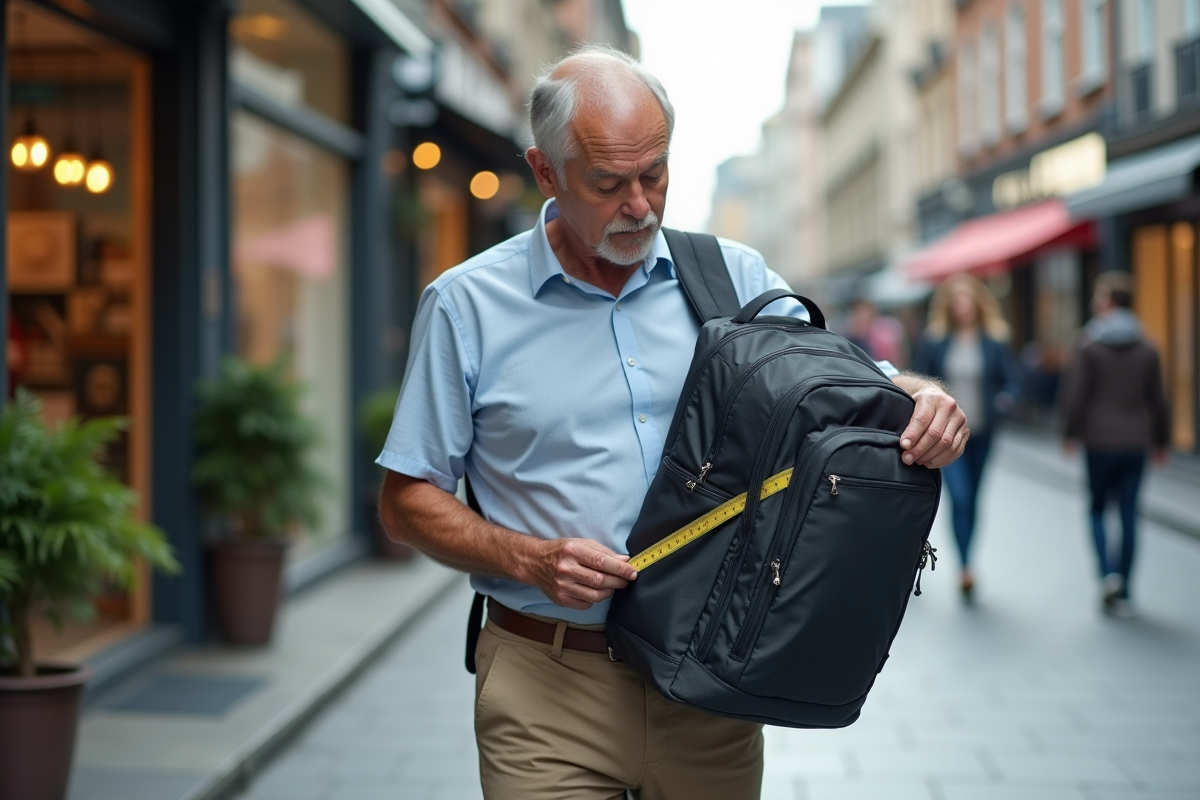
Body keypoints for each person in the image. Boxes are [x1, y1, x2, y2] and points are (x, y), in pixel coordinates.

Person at [376, 45, 968, 800]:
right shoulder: (466, 307)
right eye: (609, 183)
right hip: (547, 688)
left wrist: (922, 398)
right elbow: (405, 501)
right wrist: (529, 559)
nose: (641, 206)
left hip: (713, 685)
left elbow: (854, 386)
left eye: (654, 173)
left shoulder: (734, 279)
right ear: (546, 173)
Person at [1059, 271, 1169, 618]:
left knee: (1096, 509)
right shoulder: (1148, 347)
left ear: (1108, 302)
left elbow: (1076, 395)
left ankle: (1108, 575)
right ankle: (1125, 589)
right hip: (1137, 440)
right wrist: (1162, 441)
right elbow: (1158, 400)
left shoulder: (1089, 344)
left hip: (1099, 439)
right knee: (1129, 512)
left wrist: (1069, 432)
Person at [912, 274, 1020, 602]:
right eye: (956, 301)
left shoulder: (995, 340)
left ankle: (968, 558)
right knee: (959, 497)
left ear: (977, 303)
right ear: (949, 306)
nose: (962, 307)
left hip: (984, 432)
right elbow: (920, 379)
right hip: (948, 433)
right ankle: (964, 567)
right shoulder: (935, 339)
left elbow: (1013, 379)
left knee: (973, 498)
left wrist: (1006, 398)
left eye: (967, 300)